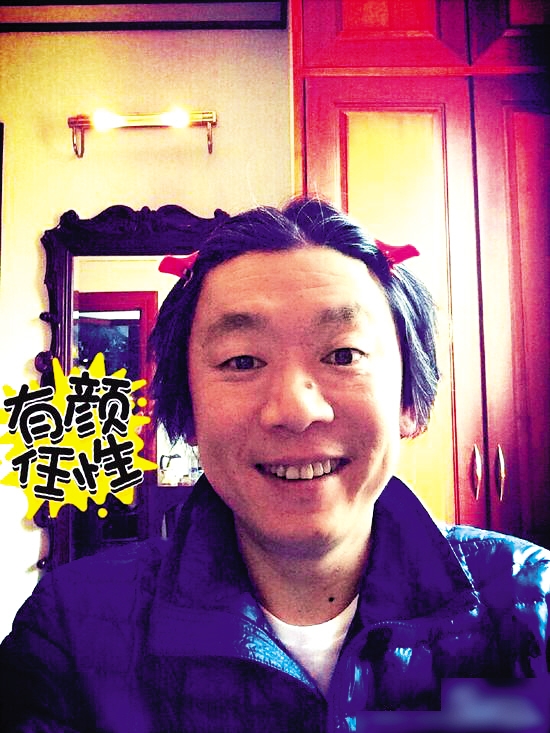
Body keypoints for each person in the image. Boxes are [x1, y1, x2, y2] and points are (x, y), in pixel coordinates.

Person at [1, 197, 548, 733]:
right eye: (242, 360)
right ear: (187, 410)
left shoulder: (531, 601)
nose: (295, 410)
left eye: (343, 355)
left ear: (408, 399)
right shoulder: (70, 629)